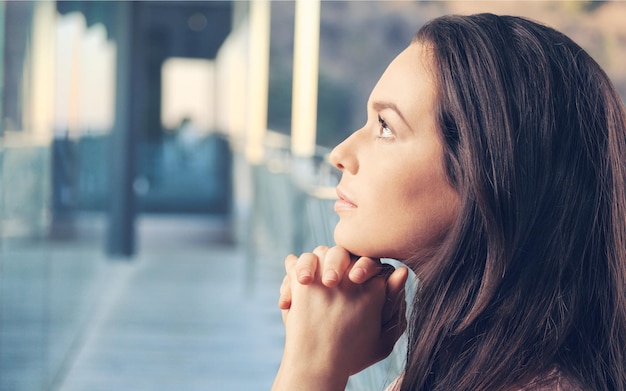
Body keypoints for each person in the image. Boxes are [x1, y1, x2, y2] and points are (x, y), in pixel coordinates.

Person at [271, 13, 626, 391]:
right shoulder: (476, 364)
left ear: (488, 171)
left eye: (386, 127)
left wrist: (311, 367)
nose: (339, 154)